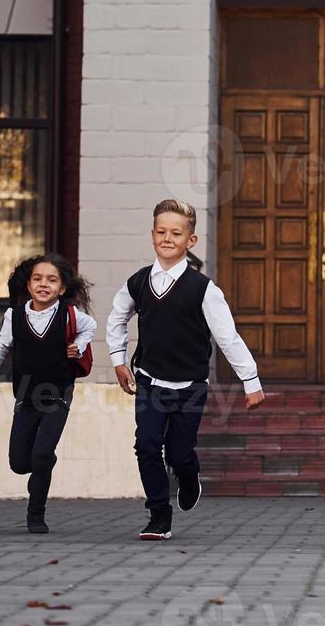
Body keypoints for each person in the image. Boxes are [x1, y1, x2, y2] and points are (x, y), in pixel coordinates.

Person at [106, 199, 265, 541]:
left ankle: (189, 475)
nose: (167, 238)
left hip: (190, 386)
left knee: (179, 452)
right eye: (161, 231)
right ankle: (159, 515)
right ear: (152, 235)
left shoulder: (203, 289)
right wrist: (119, 360)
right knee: (147, 445)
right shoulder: (138, 282)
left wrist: (250, 381)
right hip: (149, 381)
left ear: (190, 241)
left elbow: (227, 336)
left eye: (176, 233)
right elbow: (117, 317)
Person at [0, 253, 95, 534]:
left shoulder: (70, 315)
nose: (44, 284)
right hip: (26, 395)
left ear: (62, 288)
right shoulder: (15, 316)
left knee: (42, 453)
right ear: (29, 285)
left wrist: (78, 347)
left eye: (52, 280)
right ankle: (44, 464)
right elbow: (1, 345)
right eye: (37, 279)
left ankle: (36, 514)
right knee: (20, 463)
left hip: (58, 393)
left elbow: (90, 327)